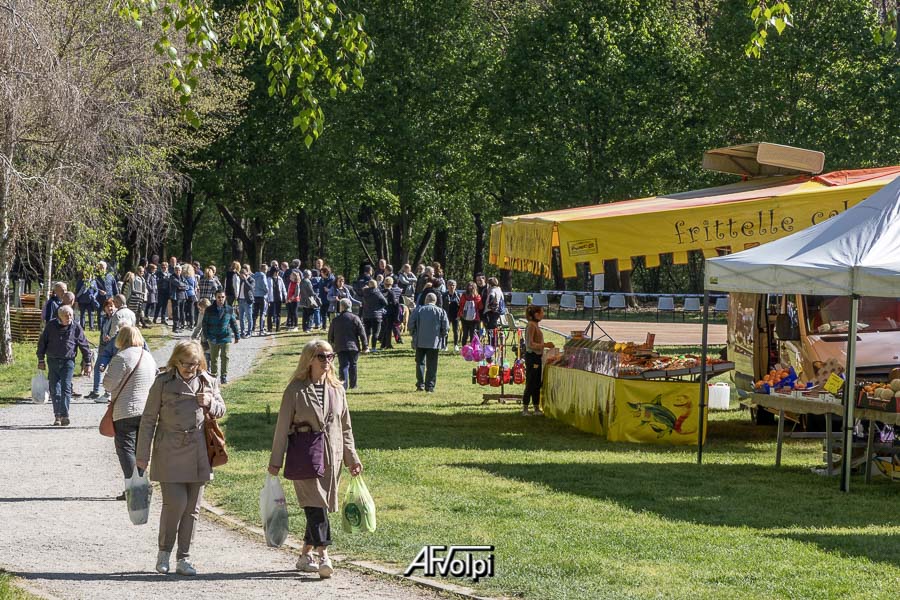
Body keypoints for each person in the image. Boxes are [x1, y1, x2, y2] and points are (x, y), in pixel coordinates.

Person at [268, 339, 362, 579]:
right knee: (316, 505)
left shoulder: (337, 389)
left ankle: (304, 555)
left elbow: (346, 427)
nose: (327, 361)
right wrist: (276, 461)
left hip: (333, 456)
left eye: (331, 356)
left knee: (319, 505)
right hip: (305, 454)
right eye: (322, 356)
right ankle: (324, 556)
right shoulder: (295, 390)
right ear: (309, 359)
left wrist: (352, 458)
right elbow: (281, 428)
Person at [136, 340, 225, 576]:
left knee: (192, 509)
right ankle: (164, 552)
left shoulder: (207, 381)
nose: (190, 369)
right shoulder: (163, 383)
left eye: (195, 364)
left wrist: (210, 403)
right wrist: (142, 455)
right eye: (186, 364)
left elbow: (222, 409)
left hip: (198, 451)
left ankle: (184, 558)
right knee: (175, 504)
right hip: (169, 449)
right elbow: (147, 421)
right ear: (175, 360)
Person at [101, 326, 157, 498]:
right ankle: (136, 486)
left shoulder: (122, 357)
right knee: (140, 451)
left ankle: (136, 487)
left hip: (126, 410)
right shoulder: (148, 357)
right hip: (147, 410)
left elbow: (109, 385)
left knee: (125, 449)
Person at [36, 305, 92, 426]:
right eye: (66, 316)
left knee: (66, 388)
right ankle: (57, 416)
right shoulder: (51, 326)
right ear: (59, 316)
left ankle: (65, 415)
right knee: (54, 389)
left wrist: (88, 362)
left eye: (70, 315)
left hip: (68, 361)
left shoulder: (76, 327)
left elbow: (84, 345)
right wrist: (41, 359)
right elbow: (42, 343)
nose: (69, 317)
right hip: (53, 361)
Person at [409, 293, 449, 393]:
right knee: (432, 364)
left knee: (420, 363)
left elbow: (411, 324)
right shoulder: (441, 311)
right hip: (434, 342)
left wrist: (414, 334)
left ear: (426, 300)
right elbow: (446, 327)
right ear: (435, 301)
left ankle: (420, 384)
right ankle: (430, 386)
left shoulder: (418, 310)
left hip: (420, 341)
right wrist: (442, 335)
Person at [328, 298, 368, 390]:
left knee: (343, 366)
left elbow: (331, 335)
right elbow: (362, 333)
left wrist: (331, 346)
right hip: (353, 346)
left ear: (341, 307)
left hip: (340, 346)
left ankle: (343, 385)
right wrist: (365, 346)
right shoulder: (355, 318)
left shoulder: (335, 320)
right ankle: (353, 385)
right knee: (353, 365)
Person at [202, 290, 240, 385]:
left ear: (225, 298)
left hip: (225, 336)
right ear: (215, 297)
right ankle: (214, 376)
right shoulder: (209, 310)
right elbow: (204, 324)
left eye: (222, 297)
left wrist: (237, 335)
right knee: (214, 358)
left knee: (225, 357)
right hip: (213, 337)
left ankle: (224, 376)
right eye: (219, 297)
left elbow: (233, 323)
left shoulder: (229, 309)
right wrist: (207, 337)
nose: (221, 299)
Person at [522, 305, 554, 416]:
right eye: (541, 313)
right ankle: (525, 408)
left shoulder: (535, 325)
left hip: (537, 357)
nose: (543, 315)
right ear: (536, 314)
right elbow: (530, 344)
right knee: (531, 382)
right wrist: (545, 345)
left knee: (536, 383)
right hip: (532, 357)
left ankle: (536, 407)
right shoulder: (531, 326)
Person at [87, 299, 117, 400]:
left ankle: (108, 392)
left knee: (111, 370)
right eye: (108, 306)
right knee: (98, 368)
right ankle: (95, 391)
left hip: (113, 348)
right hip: (104, 347)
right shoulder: (104, 318)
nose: (110, 308)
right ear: (104, 308)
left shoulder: (116, 318)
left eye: (111, 306)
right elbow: (102, 333)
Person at [360, 280, 387, 352]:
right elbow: (385, 302)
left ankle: (366, 347)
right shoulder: (377, 292)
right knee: (375, 332)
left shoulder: (365, 292)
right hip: (376, 315)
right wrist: (380, 307)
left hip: (366, 315)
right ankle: (374, 348)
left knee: (367, 332)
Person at [458, 281, 483, 347]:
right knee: (473, 334)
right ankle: (472, 347)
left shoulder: (463, 295)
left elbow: (460, 305)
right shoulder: (477, 296)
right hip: (475, 318)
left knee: (465, 333)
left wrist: (460, 314)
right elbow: (480, 307)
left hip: (464, 317)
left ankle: (464, 347)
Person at [379, 276, 401, 349]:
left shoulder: (381, 292)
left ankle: (383, 344)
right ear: (391, 283)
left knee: (384, 328)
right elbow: (396, 304)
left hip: (382, 312)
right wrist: (397, 315)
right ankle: (388, 344)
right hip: (390, 312)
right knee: (389, 329)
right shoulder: (391, 293)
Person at [191, 298, 213, 367]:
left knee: (212, 359)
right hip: (204, 340)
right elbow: (198, 326)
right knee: (205, 359)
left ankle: (213, 374)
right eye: (199, 309)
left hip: (213, 340)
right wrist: (193, 337)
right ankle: (206, 374)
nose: (199, 310)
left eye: (201, 309)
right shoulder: (201, 314)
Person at [168, 264, 189, 332]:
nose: (178, 271)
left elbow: (188, 286)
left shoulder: (182, 277)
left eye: (179, 270)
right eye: (176, 270)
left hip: (183, 296)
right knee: (176, 312)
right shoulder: (172, 277)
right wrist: (183, 286)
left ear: (181, 271)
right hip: (175, 297)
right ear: (174, 270)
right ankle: (175, 327)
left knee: (182, 312)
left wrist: (182, 287)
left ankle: (181, 325)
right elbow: (178, 284)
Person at [443, 280, 461, 352]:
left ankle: (456, 345)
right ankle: (445, 345)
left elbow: (461, 305)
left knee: (455, 331)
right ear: (447, 286)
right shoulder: (444, 295)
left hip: (455, 315)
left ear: (455, 286)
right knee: (446, 330)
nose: (451, 286)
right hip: (446, 315)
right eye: (450, 285)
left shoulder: (458, 295)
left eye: (453, 285)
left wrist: (460, 314)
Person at [267, 266, 287, 333]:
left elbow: (283, 289)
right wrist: (267, 299)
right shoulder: (269, 279)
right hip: (271, 299)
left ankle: (277, 328)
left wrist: (285, 297)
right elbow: (267, 290)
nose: (277, 273)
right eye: (276, 271)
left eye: (278, 272)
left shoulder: (280, 279)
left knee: (278, 314)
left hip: (278, 298)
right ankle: (269, 328)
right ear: (273, 272)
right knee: (270, 314)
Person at [251, 264, 269, 336]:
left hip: (255, 295)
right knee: (262, 313)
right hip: (262, 296)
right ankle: (261, 329)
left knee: (255, 313)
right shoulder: (263, 275)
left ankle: (253, 328)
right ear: (264, 269)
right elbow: (264, 285)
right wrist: (267, 291)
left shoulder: (254, 275)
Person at [237, 265, 254, 338]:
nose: (241, 277)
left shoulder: (251, 279)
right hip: (240, 300)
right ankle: (242, 332)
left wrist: (245, 280)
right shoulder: (240, 280)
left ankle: (249, 332)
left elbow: (250, 288)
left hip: (247, 301)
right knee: (241, 318)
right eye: (240, 276)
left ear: (246, 274)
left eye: (242, 275)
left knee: (249, 317)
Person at [183, 264, 198, 328]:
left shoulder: (183, 277)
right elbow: (195, 286)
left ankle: (186, 322)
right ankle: (192, 323)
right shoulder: (193, 277)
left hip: (185, 294)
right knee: (191, 309)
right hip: (192, 294)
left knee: (184, 309)